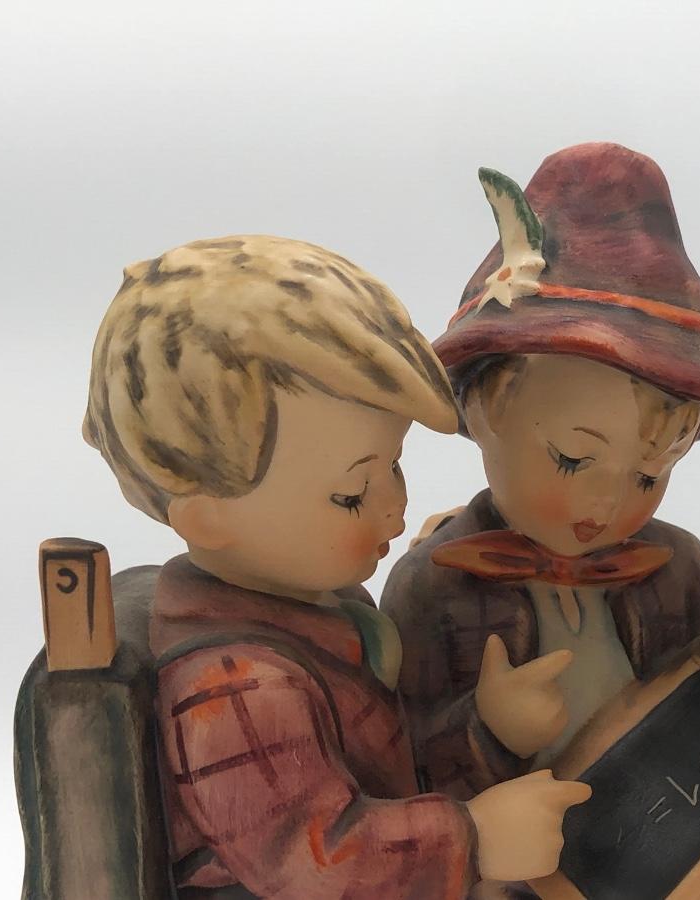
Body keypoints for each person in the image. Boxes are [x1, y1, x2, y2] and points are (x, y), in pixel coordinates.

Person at [382, 143, 700, 899]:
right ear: (484, 409)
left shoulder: (678, 569)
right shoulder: (433, 586)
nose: (606, 506)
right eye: (572, 459)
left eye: (649, 475)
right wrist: (490, 728)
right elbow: (395, 773)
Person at [83, 234, 589, 899]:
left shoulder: (325, 609)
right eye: (352, 493)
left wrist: (486, 730)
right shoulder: (238, 688)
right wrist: (474, 838)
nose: (395, 509)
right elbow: (316, 861)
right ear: (209, 519)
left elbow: (380, 775)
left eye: (394, 466)